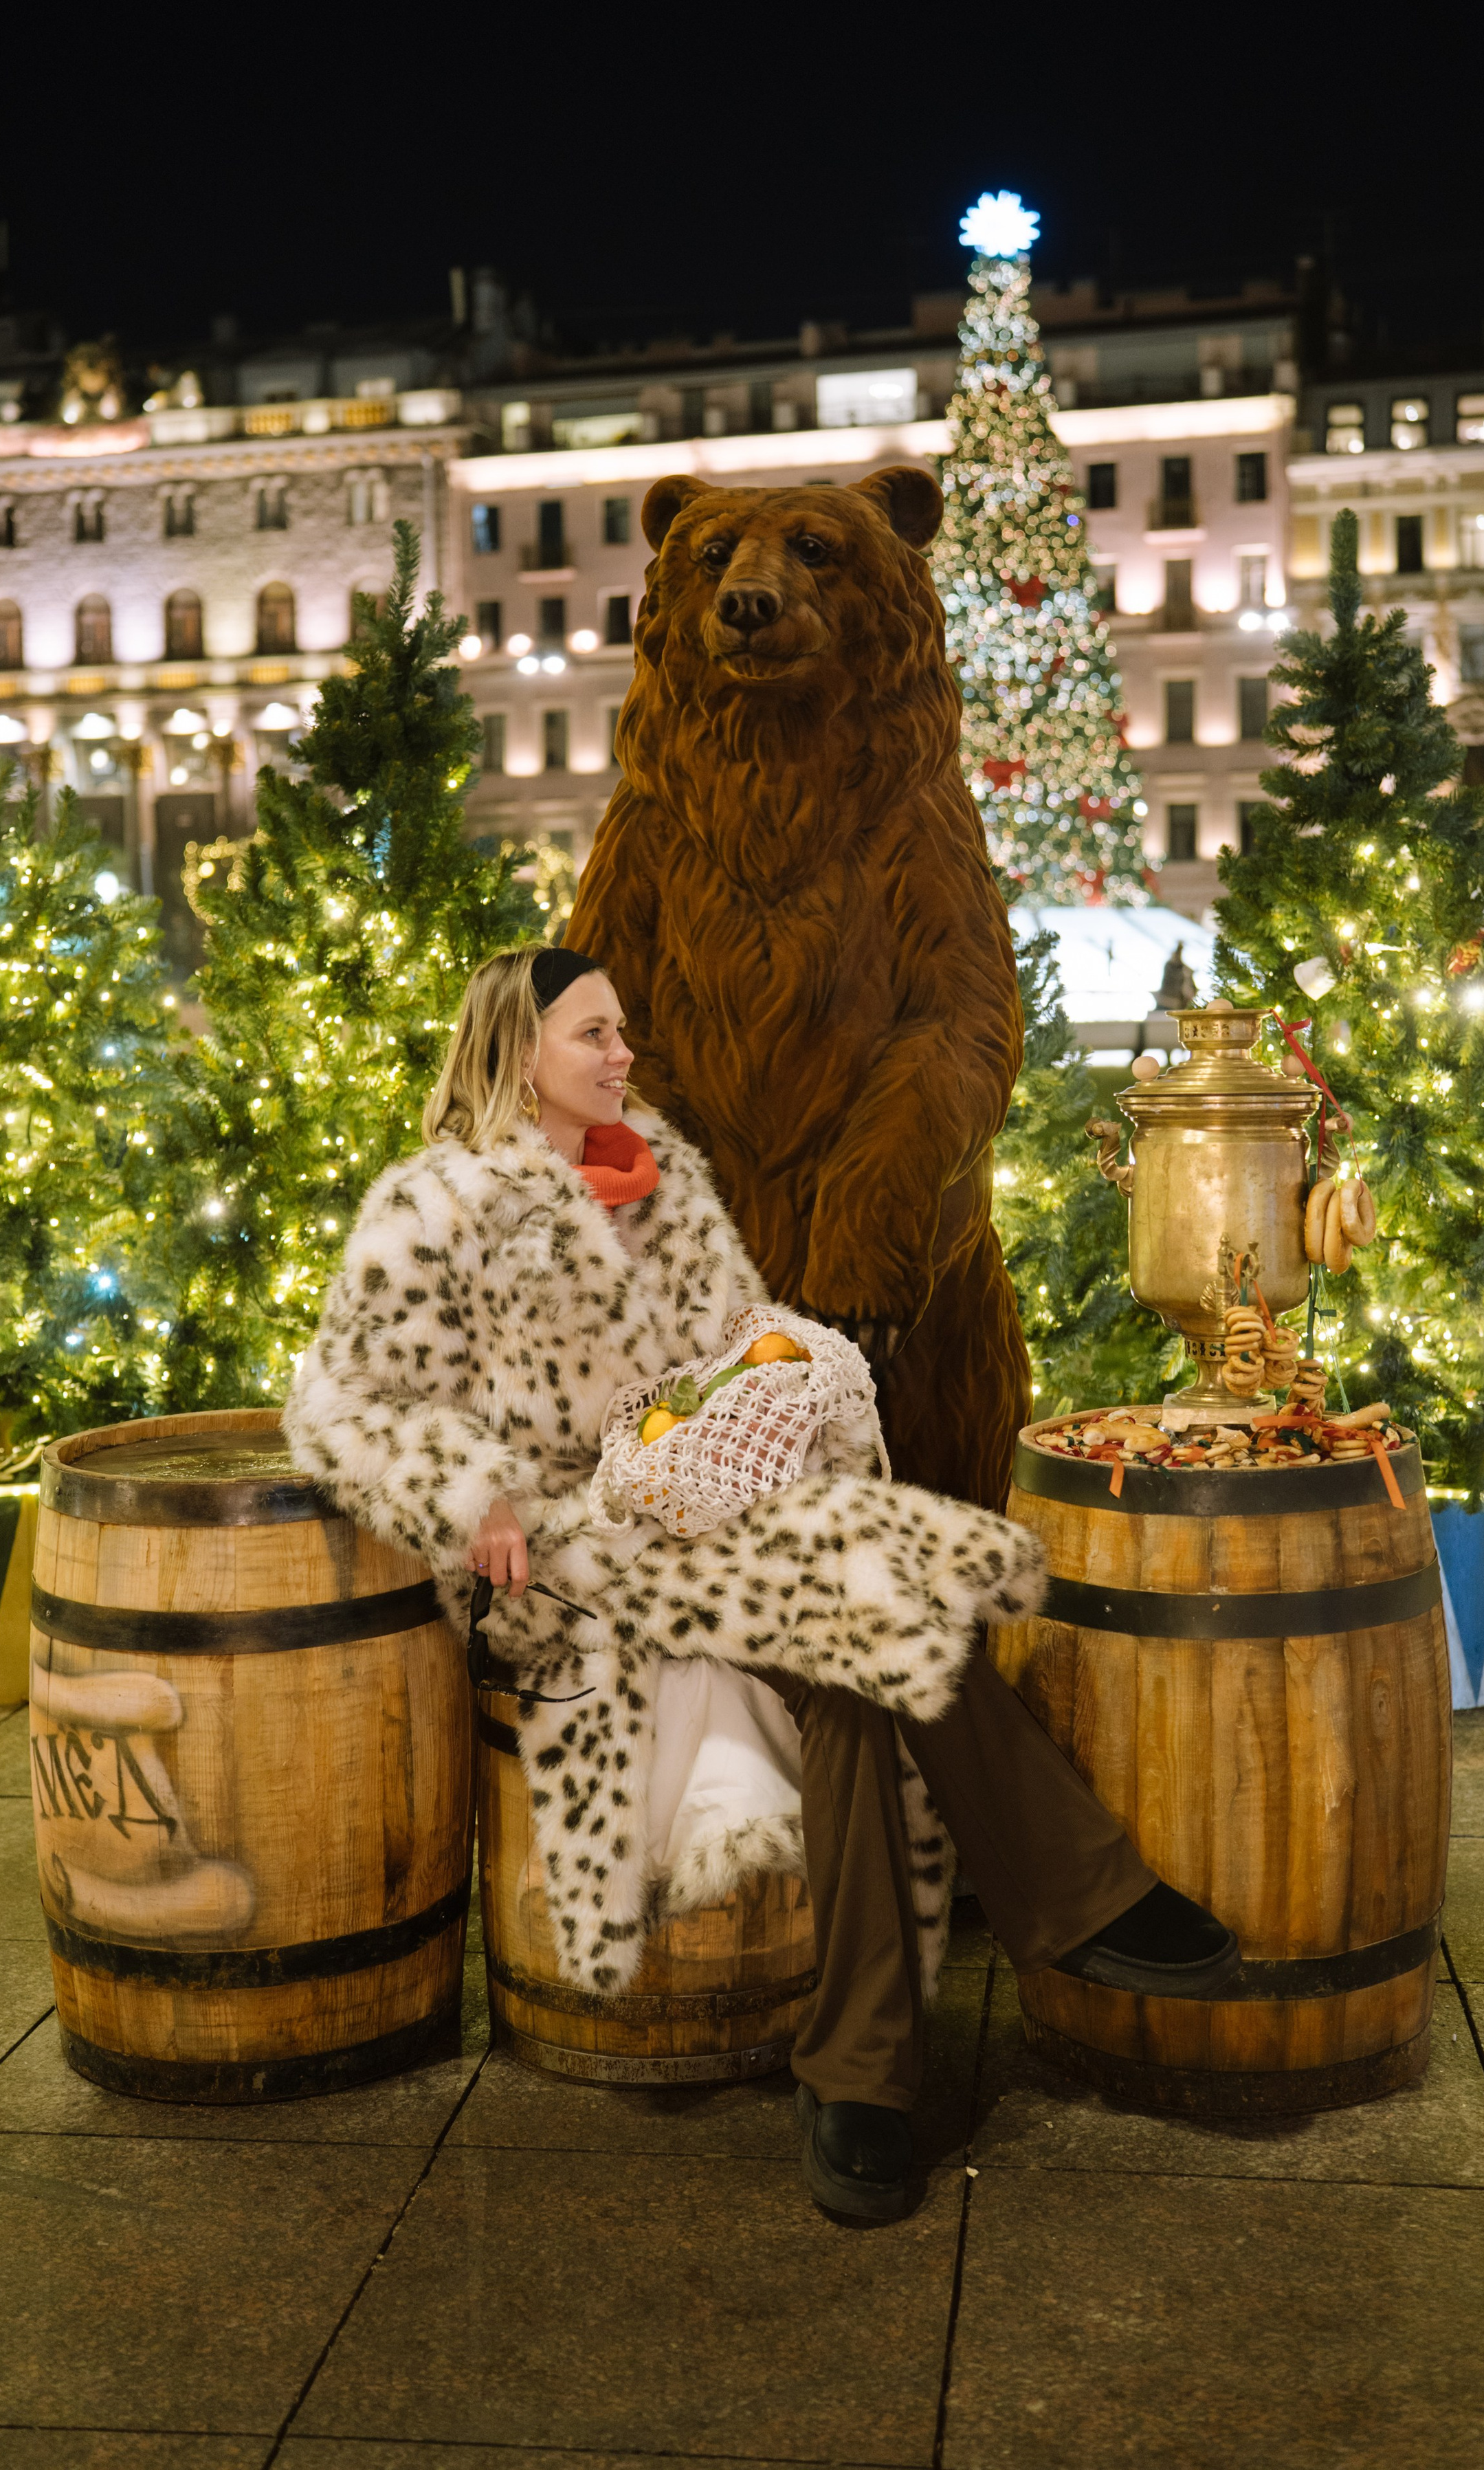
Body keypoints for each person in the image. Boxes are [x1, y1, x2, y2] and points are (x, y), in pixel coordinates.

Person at [285, 944, 1238, 2225]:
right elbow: (337, 1398)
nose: (625, 1056)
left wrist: (778, 1381)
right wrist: (475, 1492)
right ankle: (1081, 1899)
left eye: (622, 1032)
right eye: (594, 1036)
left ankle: (862, 2081)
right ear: (518, 1054)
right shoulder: (433, 1207)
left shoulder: (657, 1176)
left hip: (694, 1507)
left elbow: (727, 1344)